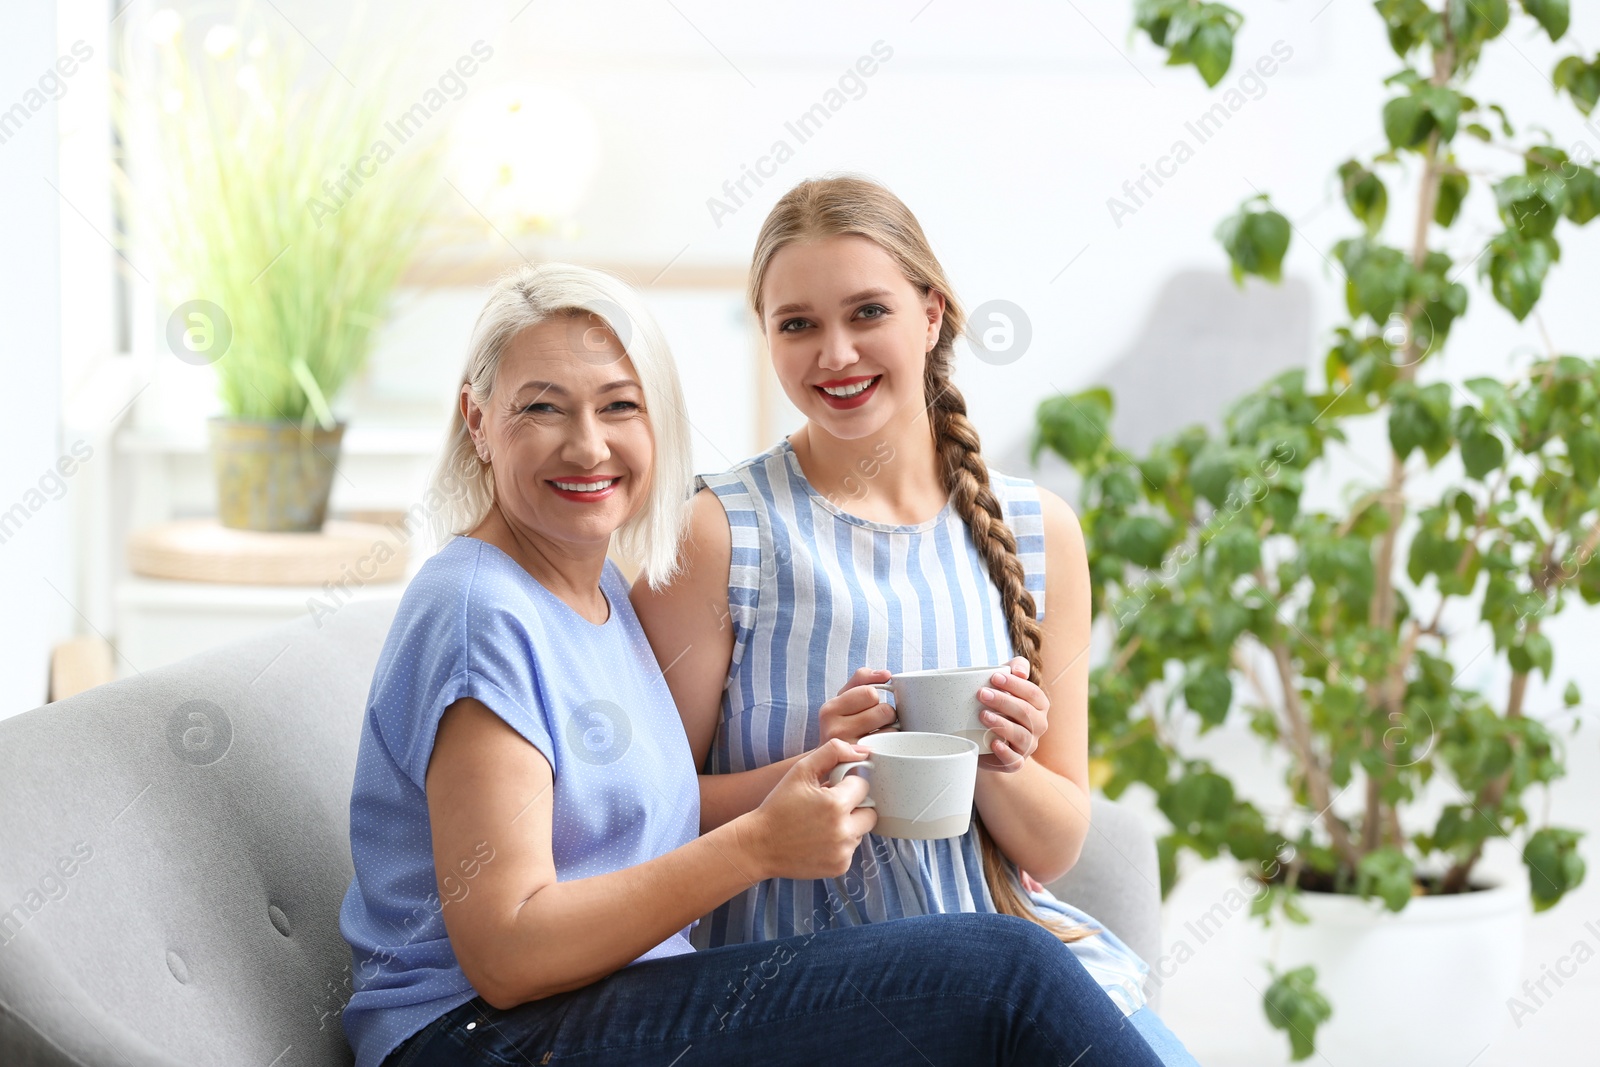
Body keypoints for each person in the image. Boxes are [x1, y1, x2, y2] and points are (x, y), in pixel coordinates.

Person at [337, 262, 1168, 1067]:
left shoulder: (594, 598)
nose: (586, 446)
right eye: (542, 409)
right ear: (477, 421)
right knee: (1004, 973)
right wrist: (759, 848)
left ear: (657, 424)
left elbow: (656, 809)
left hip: (604, 1004)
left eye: (618, 406)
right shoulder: (480, 610)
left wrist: (821, 769)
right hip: (486, 1037)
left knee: (1010, 971)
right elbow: (509, 951)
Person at [630, 177, 1200, 1064]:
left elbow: (1060, 836)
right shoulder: (719, 532)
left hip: (1017, 973)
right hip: (802, 991)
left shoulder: (1039, 531)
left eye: (868, 312)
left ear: (931, 314)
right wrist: (815, 771)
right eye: (798, 324)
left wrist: (984, 759)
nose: (836, 353)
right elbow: (641, 819)